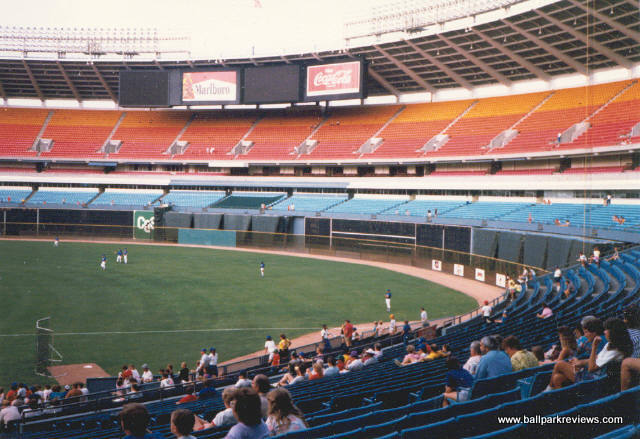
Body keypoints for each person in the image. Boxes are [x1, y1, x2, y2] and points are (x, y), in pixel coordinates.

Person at [547, 317, 629, 390]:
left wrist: (592, 348)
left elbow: (592, 366)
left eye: (586, 332)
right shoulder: (607, 342)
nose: (584, 336)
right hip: (595, 376)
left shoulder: (602, 342)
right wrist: (580, 363)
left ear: (594, 332)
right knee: (557, 378)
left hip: (594, 380)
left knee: (559, 364)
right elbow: (598, 359)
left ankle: (548, 389)